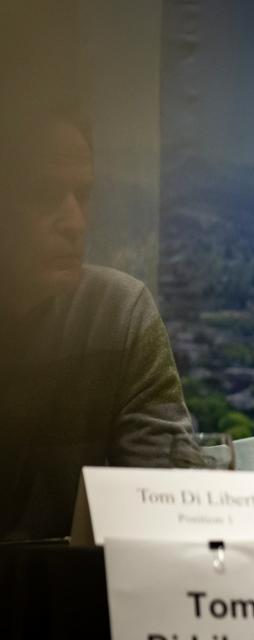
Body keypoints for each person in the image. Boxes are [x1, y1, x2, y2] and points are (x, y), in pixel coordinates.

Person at [0, 109, 197, 542]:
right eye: (44, 195)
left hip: (73, 602)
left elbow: (175, 504)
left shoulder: (117, 314)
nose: (74, 222)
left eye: (82, 195)